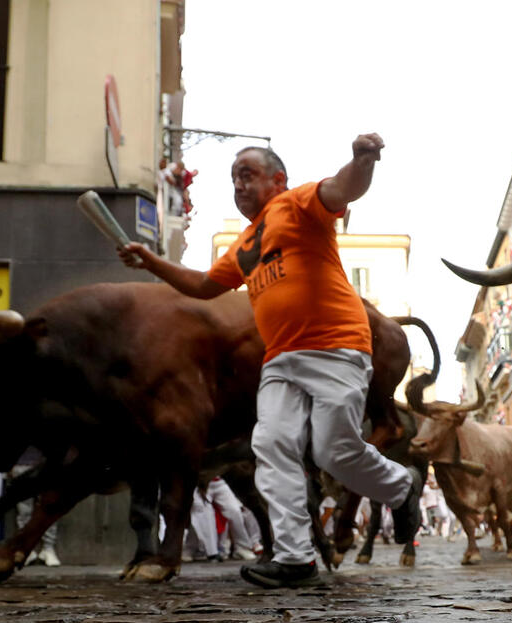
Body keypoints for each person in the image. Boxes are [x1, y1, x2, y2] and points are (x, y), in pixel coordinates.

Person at [118, 135, 422, 589]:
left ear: (277, 179)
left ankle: (403, 486)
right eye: (233, 179)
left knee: (332, 451)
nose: (238, 186)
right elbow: (203, 286)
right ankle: (295, 557)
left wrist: (361, 161)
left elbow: (343, 188)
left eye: (248, 175)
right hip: (280, 358)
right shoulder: (244, 242)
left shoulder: (298, 203)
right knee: (271, 446)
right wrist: (151, 263)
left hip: (336, 346)